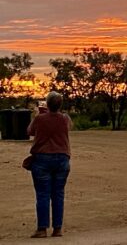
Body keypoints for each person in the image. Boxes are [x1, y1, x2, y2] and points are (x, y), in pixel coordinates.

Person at [27, 92, 72, 238]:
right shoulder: (65, 118)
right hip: (62, 158)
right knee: (58, 194)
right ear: (60, 104)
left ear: (47, 104)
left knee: (43, 194)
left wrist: (37, 115)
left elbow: (30, 131)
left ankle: (42, 228)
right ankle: (57, 228)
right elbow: (69, 127)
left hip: (42, 159)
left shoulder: (40, 119)